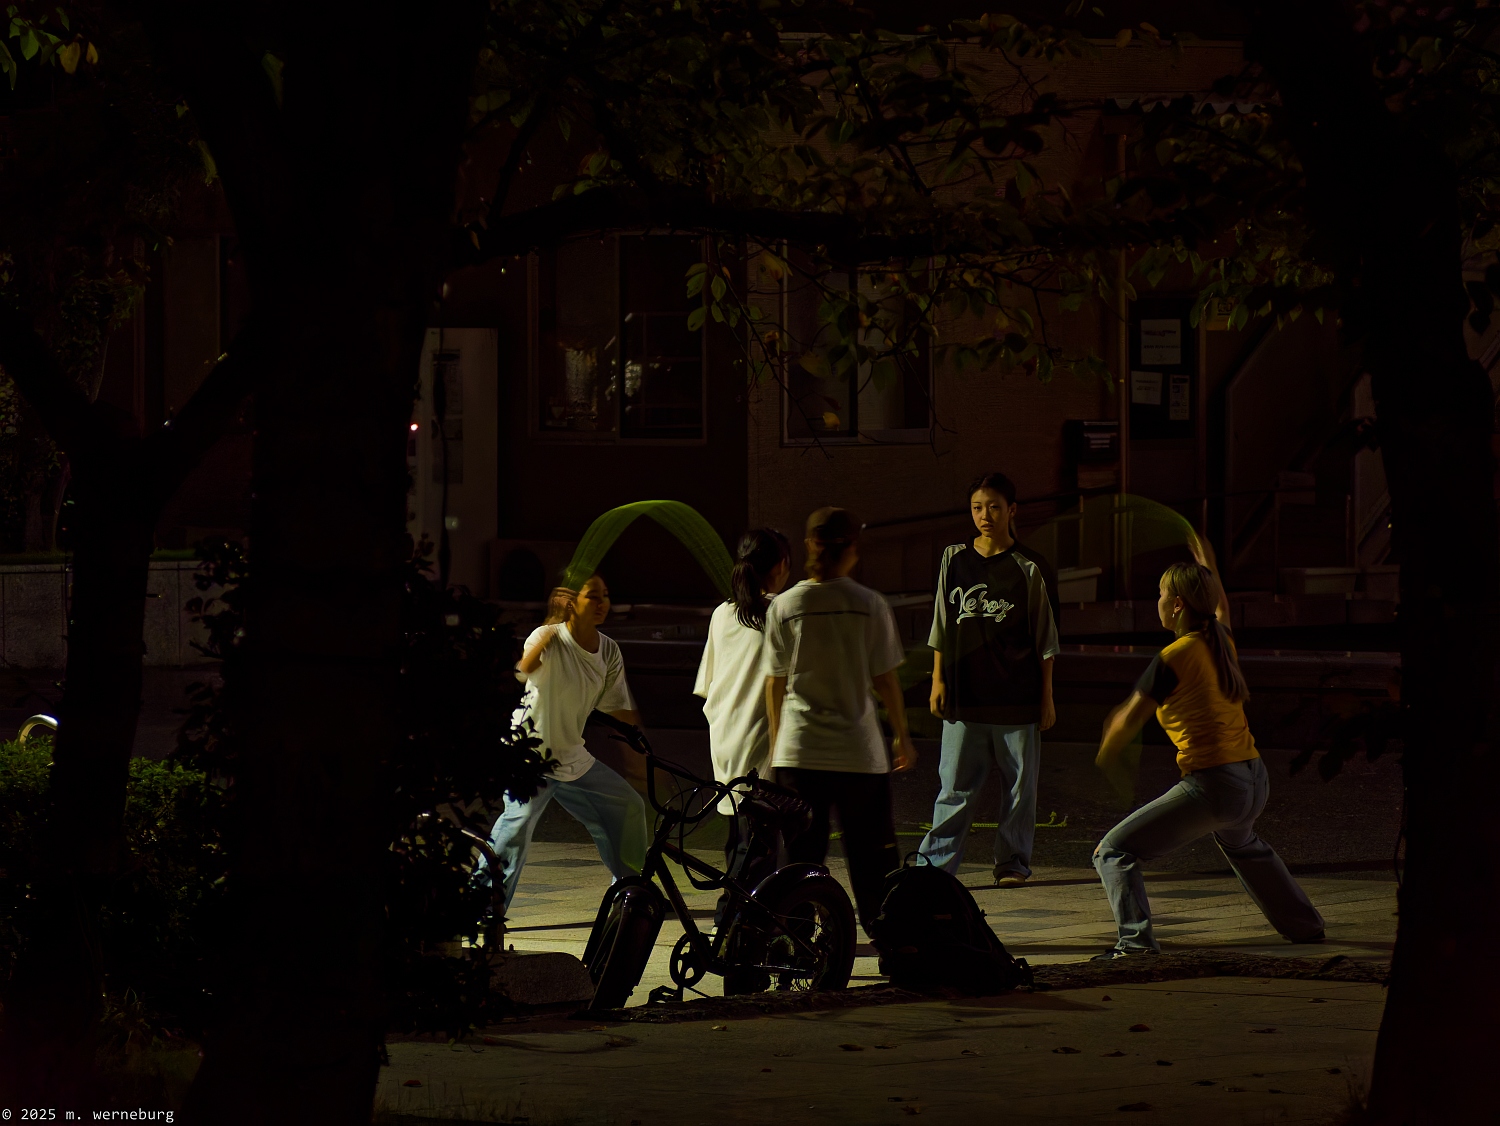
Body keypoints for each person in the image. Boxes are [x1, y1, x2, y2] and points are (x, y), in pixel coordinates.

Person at [1090, 551, 1325, 960]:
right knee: (1244, 844)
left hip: (1216, 784)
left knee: (1113, 851)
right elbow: (1221, 608)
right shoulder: (1220, 641)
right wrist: (1208, 564)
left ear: (1178, 603)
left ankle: (1136, 947)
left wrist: (1106, 752)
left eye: (1162, 594)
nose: (1158, 601)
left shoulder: (1174, 656)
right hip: (1254, 779)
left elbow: (1129, 720)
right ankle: (1305, 927)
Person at [765, 507, 916, 931]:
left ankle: (792, 947)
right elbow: (886, 681)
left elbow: (774, 683)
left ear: (810, 546)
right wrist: (902, 736)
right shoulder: (869, 605)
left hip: (799, 751)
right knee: (873, 859)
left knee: (798, 861)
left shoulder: (787, 605)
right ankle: (890, 943)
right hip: (858, 754)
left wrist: (778, 746)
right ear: (852, 549)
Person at [919, 472, 1060, 888]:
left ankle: (1012, 862)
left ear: (1012, 510)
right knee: (954, 788)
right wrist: (937, 680)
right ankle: (934, 867)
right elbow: (942, 624)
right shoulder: (954, 559)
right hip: (966, 693)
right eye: (978, 507)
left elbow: (1046, 640)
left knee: (1019, 789)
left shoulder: (1030, 567)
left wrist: (1047, 696)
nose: (985, 515)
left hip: (1017, 694)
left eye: (994, 506)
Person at [485, 574, 649, 914]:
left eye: (606, 595)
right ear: (572, 602)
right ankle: (480, 909)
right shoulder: (549, 636)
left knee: (628, 807)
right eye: (593, 596)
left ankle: (628, 894)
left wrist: (639, 757)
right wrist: (548, 630)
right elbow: (525, 668)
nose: (603, 603)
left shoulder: (608, 649)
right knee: (513, 833)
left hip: (572, 757)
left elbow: (618, 707)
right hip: (529, 756)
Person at [693, 528, 792, 896]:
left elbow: (708, 682)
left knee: (741, 835)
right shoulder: (781, 612)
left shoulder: (723, 614)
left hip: (725, 735)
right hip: (763, 735)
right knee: (759, 843)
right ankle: (735, 919)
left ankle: (737, 917)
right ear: (782, 565)